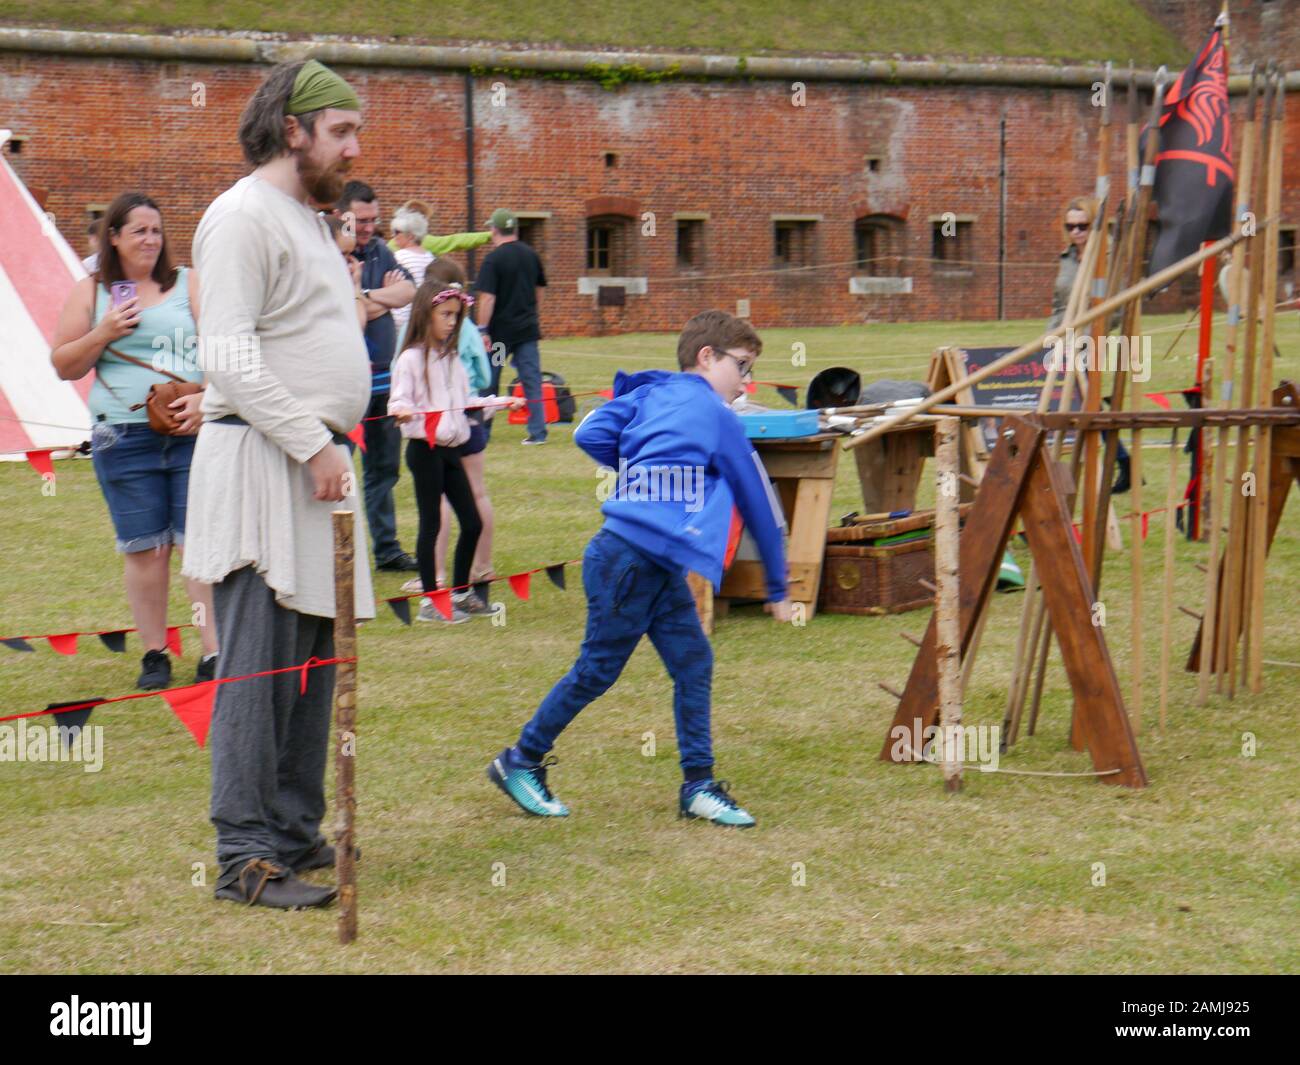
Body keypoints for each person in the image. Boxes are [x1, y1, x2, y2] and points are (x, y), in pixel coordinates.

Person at [185, 59, 374, 910]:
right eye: (340, 132)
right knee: (258, 672)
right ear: (292, 128)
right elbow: (225, 354)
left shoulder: (307, 218)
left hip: (311, 464)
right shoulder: (240, 215)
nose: (353, 148)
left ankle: (295, 837)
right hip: (265, 464)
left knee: (311, 673)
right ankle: (245, 858)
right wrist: (308, 441)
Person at [487, 309, 792, 827]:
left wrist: (640, 469)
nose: (745, 382)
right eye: (740, 367)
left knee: (693, 662)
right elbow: (759, 501)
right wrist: (778, 587)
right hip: (629, 560)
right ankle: (519, 761)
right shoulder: (719, 418)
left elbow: (589, 433)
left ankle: (698, 785)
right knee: (596, 670)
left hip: (646, 563)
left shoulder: (653, 394)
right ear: (706, 357)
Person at [51, 191, 218, 690]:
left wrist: (208, 400)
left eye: (156, 230)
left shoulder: (190, 283)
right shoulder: (93, 291)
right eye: (138, 230)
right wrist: (103, 331)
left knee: (199, 547)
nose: (150, 239)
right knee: (145, 549)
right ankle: (154, 654)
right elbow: (64, 365)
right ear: (115, 238)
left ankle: (213, 651)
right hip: (121, 436)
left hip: (190, 429)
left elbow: (222, 350)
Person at [388, 278, 518, 621]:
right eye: (445, 314)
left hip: (451, 449)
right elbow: (399, 400)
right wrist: (401, 411)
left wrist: (504, 402)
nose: (450, 322)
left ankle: (460, 594)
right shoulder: (411, 359)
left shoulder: (452, 359)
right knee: (430, 524)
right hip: (424, 449)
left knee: (472, 522)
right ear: (425, 314)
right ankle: (432, 603)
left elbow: (466, 402)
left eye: (455, 316)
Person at [335, 180, 417, 573]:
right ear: (341, 215)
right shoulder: (329, 254)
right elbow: (340, 313)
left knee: (384, 471)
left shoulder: (383, 252)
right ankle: (338, 553)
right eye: (360, 220)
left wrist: (366, 301)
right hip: (345, 382)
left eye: (373, 219)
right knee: (339, 471)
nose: (368, 227)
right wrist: (374, 302)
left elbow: (410, 292)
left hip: (385, 383)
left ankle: (386, 550)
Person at [426, 257, 502, 589]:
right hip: (471, 415)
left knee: (439, 497)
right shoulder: (469, 329)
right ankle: (482, 566)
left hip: (439, 420)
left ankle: (437, 574)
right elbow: (485, 375)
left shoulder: (423, 327)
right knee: (478, 493)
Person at [1047, 196, 1130, 492]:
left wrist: (1088, 337)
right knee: (1078, 404)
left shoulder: (1108, 258)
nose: (1076, 233)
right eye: (1070, 226)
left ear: (1095, 225)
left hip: (1092, 340)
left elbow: (1117, 308)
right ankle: (1122, 459)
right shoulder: (1067, 258)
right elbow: (1059, 305)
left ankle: (1118, 460)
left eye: (1082, 226)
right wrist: (1051, 337)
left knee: (1082, 403)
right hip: (1063, 339)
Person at [475, 207, 548, 445]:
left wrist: (483, 329)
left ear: (494, 230)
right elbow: (540, 289)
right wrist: (532, 313)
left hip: (499, 336)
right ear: (514, 229)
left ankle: (483, 432)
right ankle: (538, 432)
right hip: (526, 331)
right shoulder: (531, 255)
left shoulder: (493, 259)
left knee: (490, 381)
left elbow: (487, 298)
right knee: (531, 379)